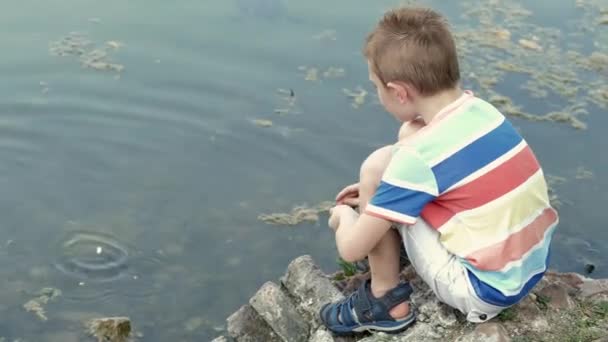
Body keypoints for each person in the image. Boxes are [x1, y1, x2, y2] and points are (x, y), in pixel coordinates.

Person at [319, 6, 559, 335]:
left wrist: (346, 218)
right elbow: (454, 172)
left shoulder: (417, 160)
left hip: (482, 290)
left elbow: (351, 249)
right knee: (401, 146)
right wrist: (390, 191)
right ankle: (386, 212)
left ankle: (384, 302)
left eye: (377, 86)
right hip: (529, 267)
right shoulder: (481, 111)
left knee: (376, 167)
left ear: (399, 92)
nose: (377, 93)